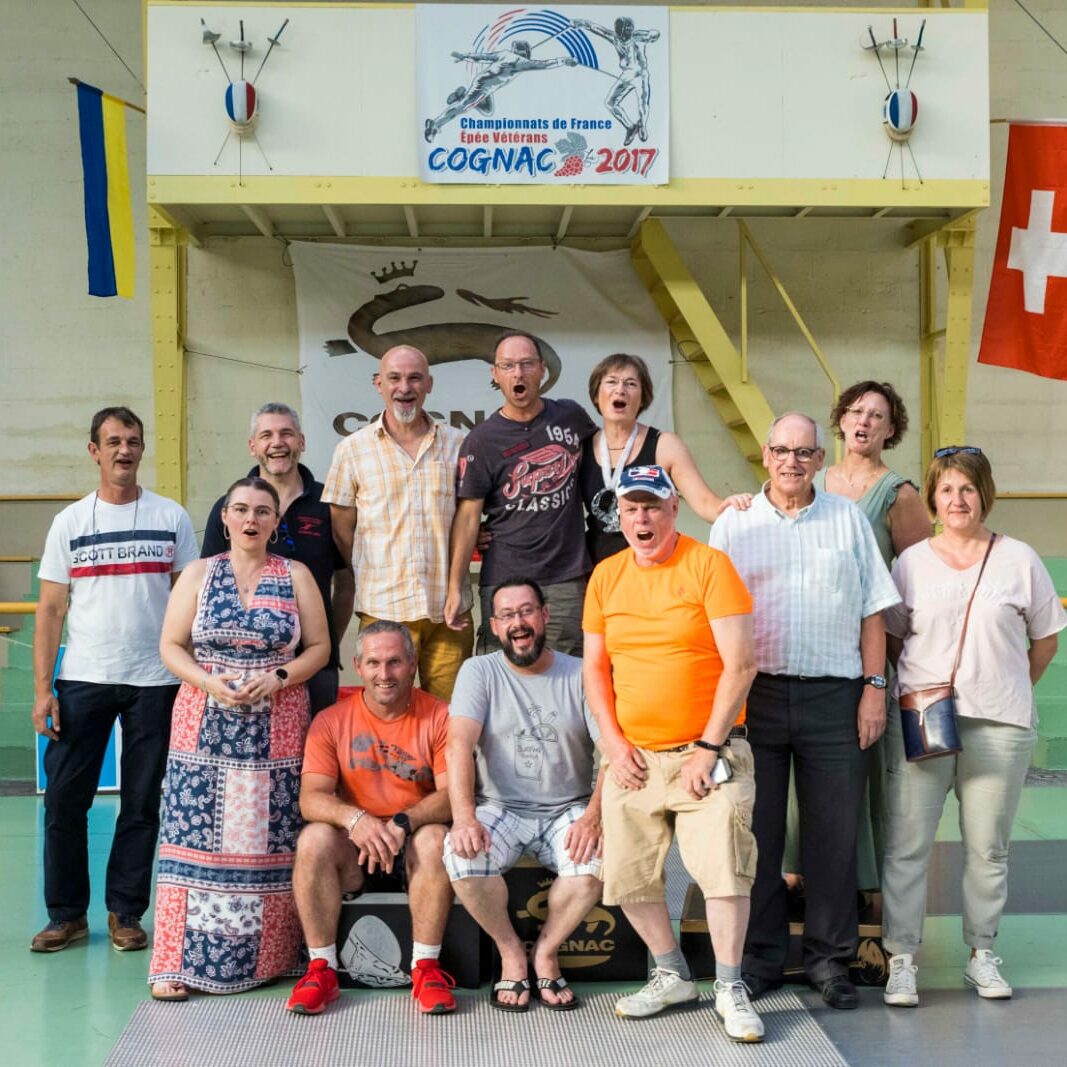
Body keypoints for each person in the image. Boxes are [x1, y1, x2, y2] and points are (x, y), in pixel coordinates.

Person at [710, 413, 900, 1010]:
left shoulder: (847, 519)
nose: (792, 461)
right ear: (765, 456)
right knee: (758, 833)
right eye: (782, 451)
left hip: (835, 696)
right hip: (754, 698)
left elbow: (874, 610)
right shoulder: (733, 524)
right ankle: (762, 959)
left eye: (804, 452)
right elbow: (711, 614)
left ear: (821, 459)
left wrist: (874, 688)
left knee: (834, 837)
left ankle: (830, 961)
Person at [583, 465, 763, 1041]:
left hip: (707, 753)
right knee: (628, 875)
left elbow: (741, 665)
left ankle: (730, 985)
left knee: (723, 871)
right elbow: (594, 668)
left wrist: (707, 749)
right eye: (632, 508)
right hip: (633, 756)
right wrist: (612, 743)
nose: (642, 518)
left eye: (653, 507)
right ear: (621, 515)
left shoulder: (709, 566)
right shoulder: (606, 576)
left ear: (673, 510)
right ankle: (670, 973)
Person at [880, 447, 1065, 1007]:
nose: (957, 500)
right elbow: (891, 639)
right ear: (932, 499)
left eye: (967, 489)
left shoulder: (1020, 559)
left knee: (988, 848)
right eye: (946, 490)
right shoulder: (910, 563)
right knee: (907, 846)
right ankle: (902, 959)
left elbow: (1045, 639)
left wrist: (1007, 689)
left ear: (985, 494)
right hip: (923, 715)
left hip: (999, 724)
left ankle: (981, 954)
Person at [148, 477, 330, 1000]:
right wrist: (208, 681)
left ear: (276, 523)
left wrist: (278, 678)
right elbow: (171, 644)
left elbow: (318, 646)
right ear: (225, 518)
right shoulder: (199, 574)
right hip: (203, 722)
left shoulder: (295, 574)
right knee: (192, 838)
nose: (251, 520)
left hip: (276, 722)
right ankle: (178, 963)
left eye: (263, 512)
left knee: (268, 841)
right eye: (241, 510)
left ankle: (272, 958)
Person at [30, 407, 198, 954]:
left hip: (156, 680)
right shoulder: (71, 522)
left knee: (142, 803)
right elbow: (51, 609)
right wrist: (42, 690)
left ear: (142, 449)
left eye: (132, 441)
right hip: (84, 678)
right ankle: (66, 915)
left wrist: (192, 677)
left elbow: (188, 601)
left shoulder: (172, 516)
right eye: (112, 442)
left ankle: (126, 912)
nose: (123, 450)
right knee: (63, 802)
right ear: (94, 451)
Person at [783, 382, 931, 892]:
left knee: (860, 776)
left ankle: (864, 889)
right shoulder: (810, 479)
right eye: (857, 411)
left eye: (877, 415)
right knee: (801, 780)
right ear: (841, 420)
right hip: (809, 650)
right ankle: (798, 881)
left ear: (891, 430)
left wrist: (893, 663)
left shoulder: (899, 493)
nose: (865, 421)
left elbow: (918, 584)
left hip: (868, 651)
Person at [445, 578, 603, 1012]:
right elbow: (458, 745)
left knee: (599, 858)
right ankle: (512, 953)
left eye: (527, 611)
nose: (519, 622)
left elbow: (612, 752)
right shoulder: (479, 671)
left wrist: (593, 816)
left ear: (545, 615)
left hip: (567, 807)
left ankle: (546, 953)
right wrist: (463, 817)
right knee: (462, 857)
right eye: (508, 615)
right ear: (495, 626)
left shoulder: (580, 671)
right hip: (500, 807)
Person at [285, 620, 457, 1016]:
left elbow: (453, 797)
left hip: (412, 845)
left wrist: (401, 822)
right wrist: (355, 819)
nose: (385, 674)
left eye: (395, 662)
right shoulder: (330, 721)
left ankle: (426, 968)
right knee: (313, 839)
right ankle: (321, 969)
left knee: (436, 839)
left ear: (412, 664)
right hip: (356, 852)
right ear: (358, 666)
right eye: (375, 663)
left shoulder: (441, 717)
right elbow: (310, 799)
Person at [323, 345, 473, 701]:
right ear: (379, 384)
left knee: (450, 715)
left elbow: (468, 518)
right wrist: (371, 568)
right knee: (385, 713)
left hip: (447, 610)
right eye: (394, 378)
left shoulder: (458, 444)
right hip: (382, 608)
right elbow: (342, 525)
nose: (404, 387)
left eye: (414, 378)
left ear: (429, 384)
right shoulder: (353, 449)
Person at [445, 330, 596, 657]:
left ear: (542, 369)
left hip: (566, 577)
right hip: (504, 578)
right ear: (495, 374)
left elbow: (607, 457)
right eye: (508, 365)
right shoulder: (481, 440)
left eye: (527, 364)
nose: (518, 373)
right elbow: (468, 516)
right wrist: (456, 586)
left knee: (567, 675)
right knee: (504, 675)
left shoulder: (571, 417)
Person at [201, 402, 352, 713]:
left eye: (287, 433)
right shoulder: (228, 508)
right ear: (252, 446)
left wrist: (325, 643)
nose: (277, 443)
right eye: (266, 435)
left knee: (315, 758)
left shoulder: (328, 504)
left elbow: (346, 580)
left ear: (302, 442)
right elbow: (206, 584)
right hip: (242, 667)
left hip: (313, 666)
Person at [579, 353, 750, 564]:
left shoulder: (665, 445)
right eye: (611, 382)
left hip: (655, 567)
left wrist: (732, 507)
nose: (620, 389)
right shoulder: (580, 447)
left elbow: (705, 503)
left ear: (643, 397)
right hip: (598, 571)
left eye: (631, 383)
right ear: (597, 394)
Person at [425, 42, 578, 142]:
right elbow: (543, 65)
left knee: (488, 111)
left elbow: (484, 57)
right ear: (525, 51)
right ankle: (435, 124)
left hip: (485, 86)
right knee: (462, 108)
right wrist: (564, 61)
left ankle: (462, 94)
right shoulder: (520, 63)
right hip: (484, 88)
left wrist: (466, 56)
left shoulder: (505, 54)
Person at [570, 17, 661, 145]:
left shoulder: (639, 37)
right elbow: (596, 28)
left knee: (643, 103)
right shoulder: (615, 38)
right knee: (609, 102)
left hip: (641, 74)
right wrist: (580, 23)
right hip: (627, 74)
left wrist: (651, 34)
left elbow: (655, 34)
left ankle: (643, 125)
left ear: (629, 29)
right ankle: (630, 127)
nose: (623, 33)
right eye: (621, 30)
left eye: (626, 29)